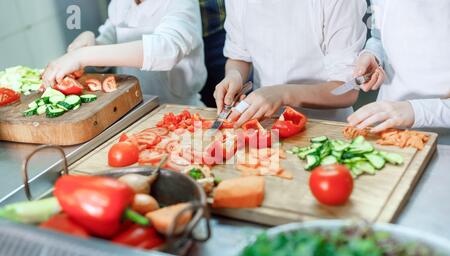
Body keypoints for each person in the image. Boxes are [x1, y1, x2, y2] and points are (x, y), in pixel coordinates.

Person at [214, 0, 368, 127]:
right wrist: (235, 75)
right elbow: (239, 55)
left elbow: (347, 90)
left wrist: (283, 94)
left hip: (324, 128)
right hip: (265, 126)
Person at [42, 0, 207, 106]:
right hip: (133, 106)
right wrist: (93, 41)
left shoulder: (180, 3)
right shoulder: (120, 3)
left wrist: (83, 56)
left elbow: (166, 49)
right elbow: (112, 33)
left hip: (178, 109)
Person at [348, 0, 450, 133]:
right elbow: (378, 35)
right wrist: (372, 54)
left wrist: (416, 111)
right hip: (386, 125)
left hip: (443, 136)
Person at [199, 0, 227, 108]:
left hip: (217, 30)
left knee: (231, 95)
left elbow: (239, 57)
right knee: (206, 99)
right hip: (188, 43)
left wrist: (234, 73)